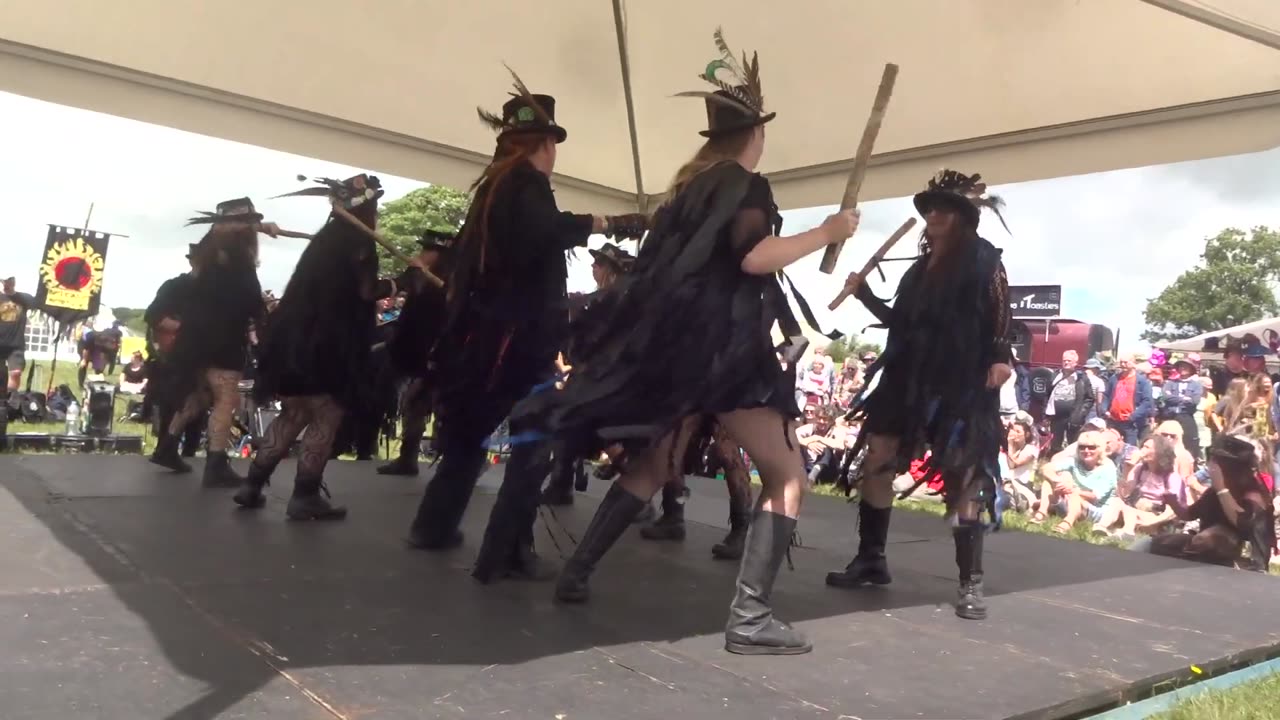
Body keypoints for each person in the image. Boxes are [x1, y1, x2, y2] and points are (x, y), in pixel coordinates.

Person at [510, 33, 858, 655]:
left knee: (652, 464)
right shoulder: (745, 186)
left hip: (680, 351)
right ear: (755, 134)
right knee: (786, 474)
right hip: (724, 353)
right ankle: (750, 620)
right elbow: (753, 258)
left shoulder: (687, 192)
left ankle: (576, 572)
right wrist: (828, 230)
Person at [405, 73, 647, 583]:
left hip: (487, 339)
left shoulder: (496, 187)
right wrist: (612, 223)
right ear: (545, 145)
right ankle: (505, 551)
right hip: (519, 340)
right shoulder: (525, 184)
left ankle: (434, 526)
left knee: (470, 435)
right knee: (533, 442)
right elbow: (546, 232)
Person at [826, 169, 1012, 622]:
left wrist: (1000, 356)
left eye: (943, 209)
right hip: (906, 378)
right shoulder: (916, 271)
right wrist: (865, 295)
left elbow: (1001, 311)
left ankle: (970, 581)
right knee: (878, 457)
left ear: (962, 217)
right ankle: (871, 559)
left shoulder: (985, 260)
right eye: (930, 208)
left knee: (962, 475)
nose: (933, 216)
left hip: (960, 381)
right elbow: (901, 322)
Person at [234, 174, 426, 520]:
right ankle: (305, 494)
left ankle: (252, 484)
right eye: (375, 206)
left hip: (295, 344)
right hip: (329, 349)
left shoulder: (325, 241)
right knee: (326, 416)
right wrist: (403, 282)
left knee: (292, 414)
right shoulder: (359, 243)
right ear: (366, 207)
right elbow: (367, 291)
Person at [150, 199, 271, 487]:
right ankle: (216, 463)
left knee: (200, 396)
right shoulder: (231, 251)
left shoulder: (212, 250)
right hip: (221, 337)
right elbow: (248, 297)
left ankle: (167, 445)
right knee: (225, 398)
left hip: (198, 337)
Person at [539, 241, 635, 505]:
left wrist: (578, 311)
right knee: (574, 427)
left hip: (603, 376)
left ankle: (638, 493)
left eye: (598, 263)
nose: (593, 266)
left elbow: (603, 338)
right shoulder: (604, 297)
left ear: (610, 270)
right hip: (591, 374)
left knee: (600, 431)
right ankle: (561, 484)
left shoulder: (616, 299)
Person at [377, 229, 456, 476]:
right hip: (416, 349)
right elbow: (397, 287)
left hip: (440, 352)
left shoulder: (453, 280)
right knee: (415, 404)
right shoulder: (418, 275)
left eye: (428, 250)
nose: (422, 253)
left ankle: (451, 461)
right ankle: (408, 458)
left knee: (441, 406)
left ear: (441, 255)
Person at [1148, 434, 1275, 570]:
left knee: (1209, 540)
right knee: (1162, 542)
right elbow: (1189, 515)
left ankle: (1233, 565)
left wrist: (1222, 488)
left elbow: (1241, 523)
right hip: (1203, 541)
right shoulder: (1213, 492)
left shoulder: (1253, 494)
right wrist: (1173, 502)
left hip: (1235, 546)